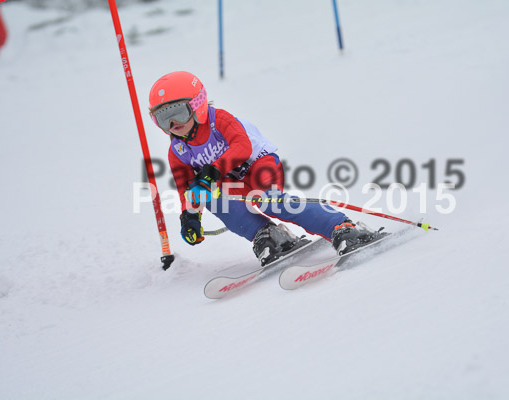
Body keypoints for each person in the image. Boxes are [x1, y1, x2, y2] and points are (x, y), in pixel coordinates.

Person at [148, 71, 376, 265]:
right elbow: (186, 188)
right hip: (232, 182)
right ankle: (268, 235)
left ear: (197, 105)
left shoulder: (219, 120)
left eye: (177, 112)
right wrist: (190, 216)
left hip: (259, 165)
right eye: (162, 118)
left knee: (268, 200)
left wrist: (213, 171)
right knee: (209, 197)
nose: (172, 125)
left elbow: (242, 147)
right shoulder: (177, 151)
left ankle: (342, 227)